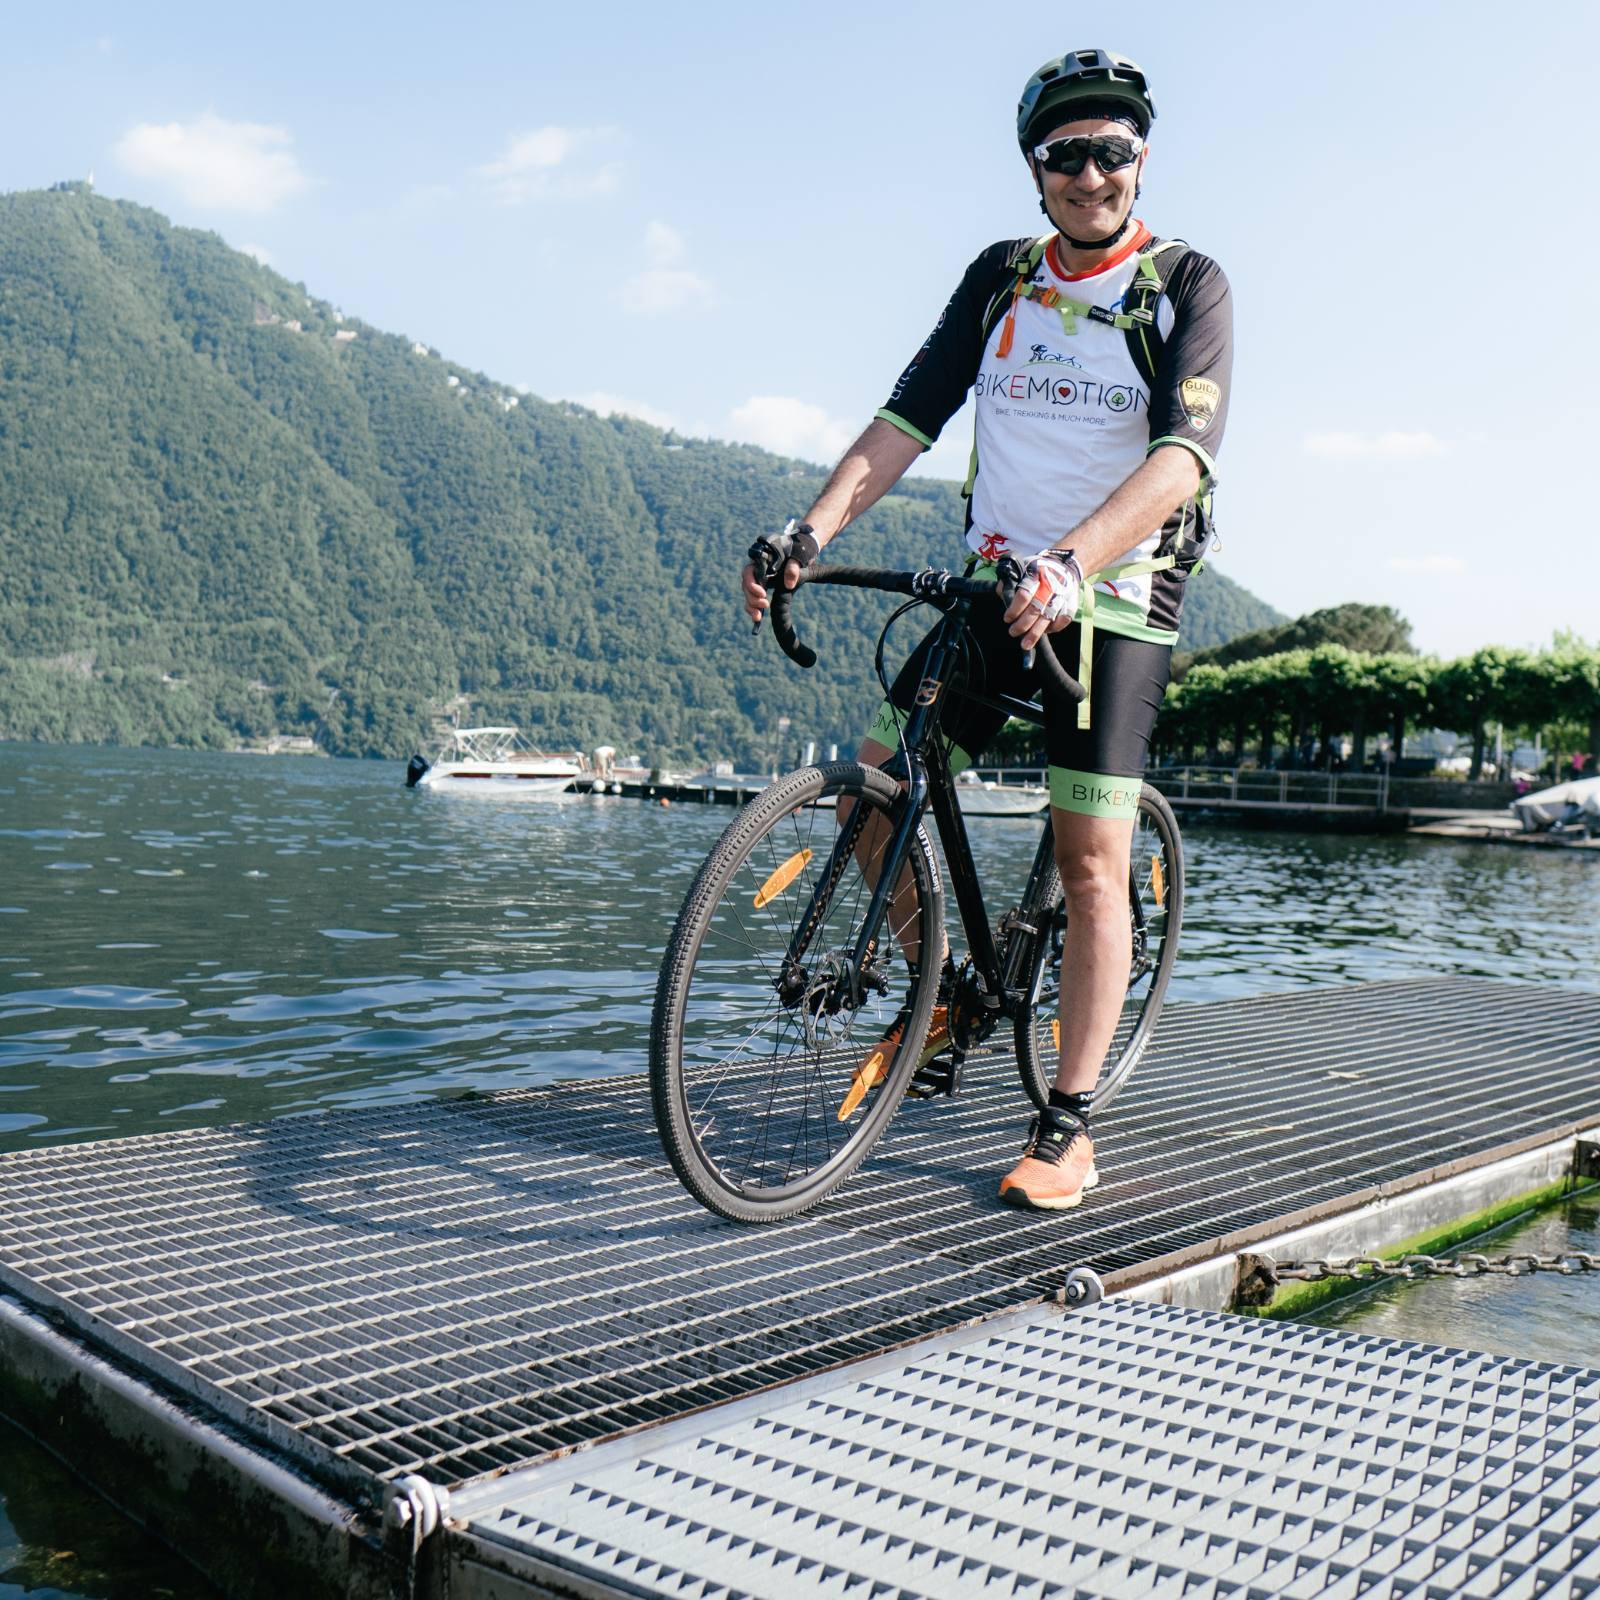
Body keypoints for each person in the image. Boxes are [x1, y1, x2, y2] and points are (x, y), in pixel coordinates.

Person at [742, 48, 1233, 1211]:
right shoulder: (999, 278)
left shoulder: (1184, 284)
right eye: (1065, 154)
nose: (1088, 174)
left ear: (1140, 159)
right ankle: (946, 990)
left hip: (1112, 599)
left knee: (1091, 859)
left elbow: (1183, 457)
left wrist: (1072, 564)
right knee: (872, 797)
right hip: (993, 583)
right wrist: (808, 529)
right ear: (1033, 166)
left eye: (1109, 152)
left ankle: (1067, 1123)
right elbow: (907, 414)